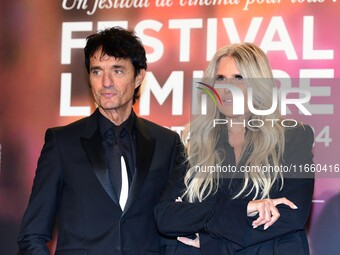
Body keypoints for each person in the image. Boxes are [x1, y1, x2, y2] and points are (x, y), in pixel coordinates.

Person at [17, 26, 184, 255]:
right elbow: (33, 235)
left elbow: (175, 230)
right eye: (97, 72)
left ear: (139, 76)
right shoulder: (62, 143)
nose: (106, 82)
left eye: (117, 71)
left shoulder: (167, 144)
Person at [154, 43, 315, 255]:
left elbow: (292, 214)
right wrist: (246, 208)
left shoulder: (292, 136)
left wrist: (213, 241)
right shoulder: (196, 144)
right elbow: (167, 217)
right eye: (220, 78)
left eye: (239, 78)